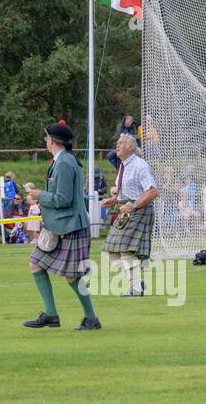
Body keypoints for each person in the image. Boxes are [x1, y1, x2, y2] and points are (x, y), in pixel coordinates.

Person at [24, 122, 100, 331]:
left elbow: (63, 199)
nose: (45, 141)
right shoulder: (61, 160)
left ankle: (91, 318)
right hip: (59, 226)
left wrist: (41, 196)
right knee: (36, 264)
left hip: (71, 226)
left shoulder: (65, 163)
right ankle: (50, 314)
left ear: (54, 141)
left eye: (46, 138)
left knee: (72, 275)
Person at [103, 132, 156, 297]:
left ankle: (135, 288)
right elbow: (127, 190)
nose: (117, 145)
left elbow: (153, 191)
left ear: (131, 147)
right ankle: (137, 281)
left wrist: (133, 205)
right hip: (126, 209)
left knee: (126, 250)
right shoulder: (123, 165)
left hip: (138, 209)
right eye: (117, 142)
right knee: (111, 250)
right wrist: (113, 200)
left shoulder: (140, 165)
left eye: (121, 143)